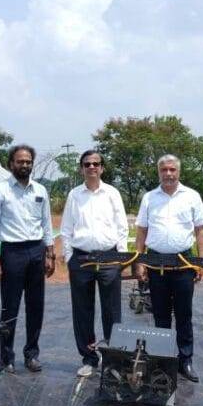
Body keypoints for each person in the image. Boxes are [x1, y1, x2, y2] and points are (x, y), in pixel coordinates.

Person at [134, 154, 203, 383]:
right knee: (160, 314)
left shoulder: (192, 197)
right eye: (164, 169)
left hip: (184, 263)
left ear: (179, 172)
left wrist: (201, 262)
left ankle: (185, 359)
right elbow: (141, 232)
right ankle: (162, 359)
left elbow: (200, 231)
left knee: (184, 314)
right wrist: (140, 261)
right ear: (159, 172)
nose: (168, 173)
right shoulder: (149, 198)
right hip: (156, 264)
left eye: (172, 169)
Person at [0, 144, 55, 374]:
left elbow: (46, 224)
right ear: (11, 164)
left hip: (36, 251)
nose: (24, 165)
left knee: (36, 306)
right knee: (10, 308)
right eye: (20, 161)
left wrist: (49, 254)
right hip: (12, 253)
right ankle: (7, 358)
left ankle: (31, 355)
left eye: (28, 162)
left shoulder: (40, 190)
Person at [61, 150, 128, 377]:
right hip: (81, 259)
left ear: (102, 168)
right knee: (83, 310)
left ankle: (112, 360)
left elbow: (122, 227)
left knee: (112, 311)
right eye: (87, 164)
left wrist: (121, 257)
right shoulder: (74, 195)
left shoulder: (112, 193)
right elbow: (66, 228)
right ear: (81, 168)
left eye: (96, 164)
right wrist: (69, 256)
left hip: (109, 258)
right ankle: (89, 358)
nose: (92, 167)